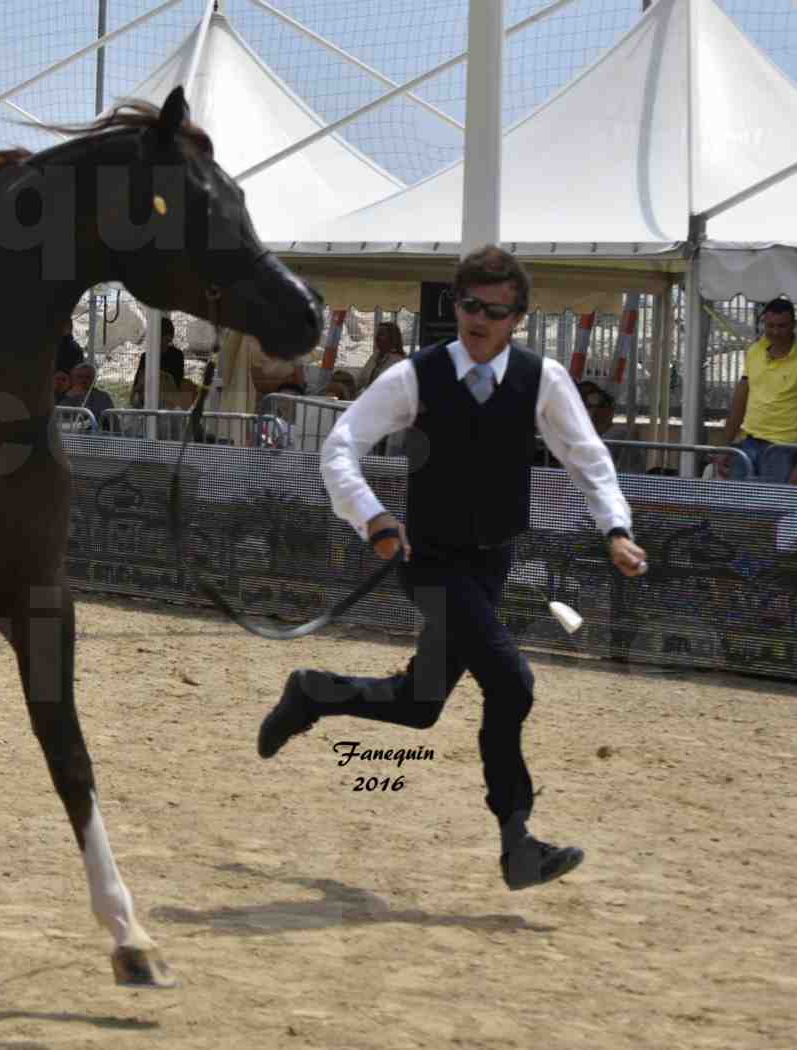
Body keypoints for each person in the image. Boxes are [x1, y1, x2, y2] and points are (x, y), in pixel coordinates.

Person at [256, 245, 649, 892]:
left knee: (419, 706)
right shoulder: (416, 375)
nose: (480, 319)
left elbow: (587, 459)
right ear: (456, 303)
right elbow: (340, 447)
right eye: (469, 304)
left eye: (496, 310)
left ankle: (313, 692)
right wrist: (373, 519)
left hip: (490, 561)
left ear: (517, 317)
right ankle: (516, 842)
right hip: (427, 561)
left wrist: (614, 527)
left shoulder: (540, 379)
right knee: (513, 684)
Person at [721, 297, 797, 483]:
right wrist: (726, 447)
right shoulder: (755, 351)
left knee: (775, 508)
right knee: (737, 504)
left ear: (794, 325)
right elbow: (740, 400)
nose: (775, 331)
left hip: (784, 448)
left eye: (782, 326)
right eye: (770, 326)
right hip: (747, 442)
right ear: (763, 324)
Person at [59, 359, 116, 431]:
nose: (83, 380)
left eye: (88, 377)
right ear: (72, 378)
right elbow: (59, 420)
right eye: (79, 377)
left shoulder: (103, 397)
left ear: (93, 380)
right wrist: (69, 397)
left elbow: (114, 422)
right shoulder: (63, 394)